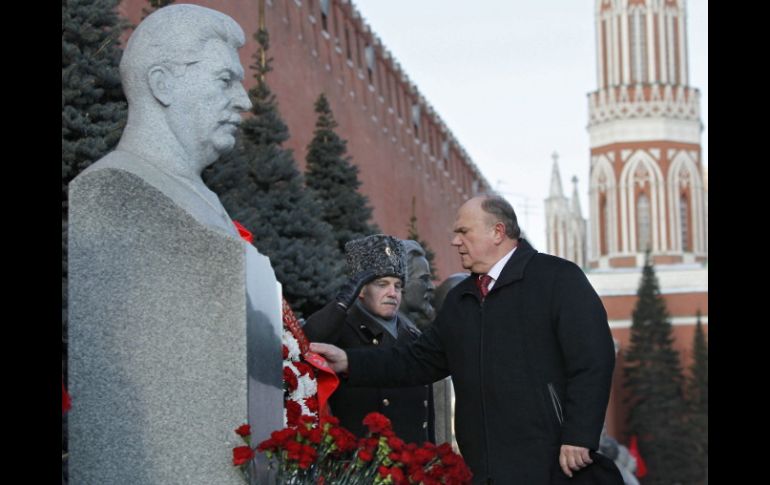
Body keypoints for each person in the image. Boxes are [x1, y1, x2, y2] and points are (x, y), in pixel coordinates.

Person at [311, 195, 617, 484]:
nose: (455, 241)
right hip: (485, 468)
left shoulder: (556, 278)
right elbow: (417, 360)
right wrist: (350, 361)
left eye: (464, 231)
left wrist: (578, 435)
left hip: (551, 461)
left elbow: (593, 359)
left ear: (497, 232)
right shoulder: (461, 300)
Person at [86, 3, 252, 236]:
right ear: (162, 85)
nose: (245, 102)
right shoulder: (116, 186)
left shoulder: (204, 197)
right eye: (225, 80)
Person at [303, 234, 435, 444]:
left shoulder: (412, 336)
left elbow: (425, 418)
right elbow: (309, 341)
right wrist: (343, 302)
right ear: (362, 288)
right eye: (382, 284)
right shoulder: (342, 328)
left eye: (398, 285)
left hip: (413, 463)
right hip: (364, 466)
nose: (393, 293)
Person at [398, 240, 436, 330]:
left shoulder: (407, 326)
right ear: (402, 281)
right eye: (424, 279)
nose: (431, 286)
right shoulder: (397, 331)